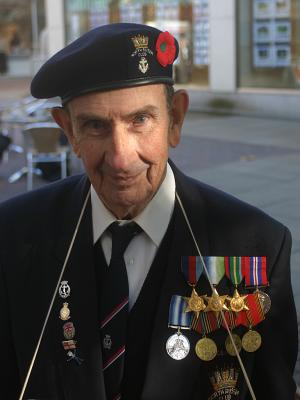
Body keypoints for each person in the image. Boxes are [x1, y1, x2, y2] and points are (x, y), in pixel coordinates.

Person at [0, 23, 298, 400]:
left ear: (175, 119)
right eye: (94, 125)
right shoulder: (13, 235)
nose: (122, 158)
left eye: (140, 120)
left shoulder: (258, 246)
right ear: (68, 131)